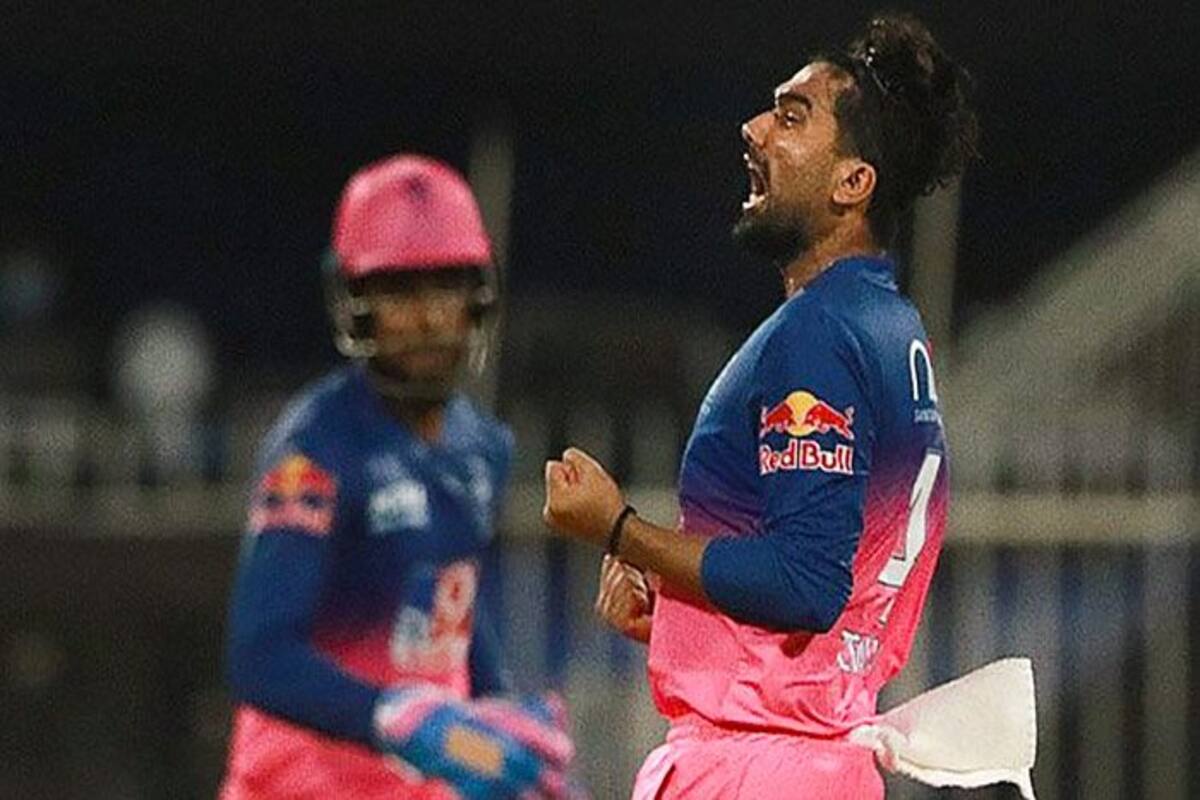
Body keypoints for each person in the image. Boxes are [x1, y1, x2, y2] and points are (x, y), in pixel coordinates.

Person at [543, 13, 979, 800]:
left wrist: (619, 530)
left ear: (853, 183)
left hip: (756, 773)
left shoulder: (818, 334)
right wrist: (686, 621)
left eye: (791, 116)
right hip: (817, 761)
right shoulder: (890, 326)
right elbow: (831, 588)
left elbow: (806, 582)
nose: (754, 129)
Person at [220, 154, 575, 800]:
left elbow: (446, 605)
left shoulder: (481, 446)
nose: (429, 317)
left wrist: (500, 710)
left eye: (446, 287)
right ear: (354, 300)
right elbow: (259, 655)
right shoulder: (316, 448)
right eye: (400, 291)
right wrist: (388, 714)